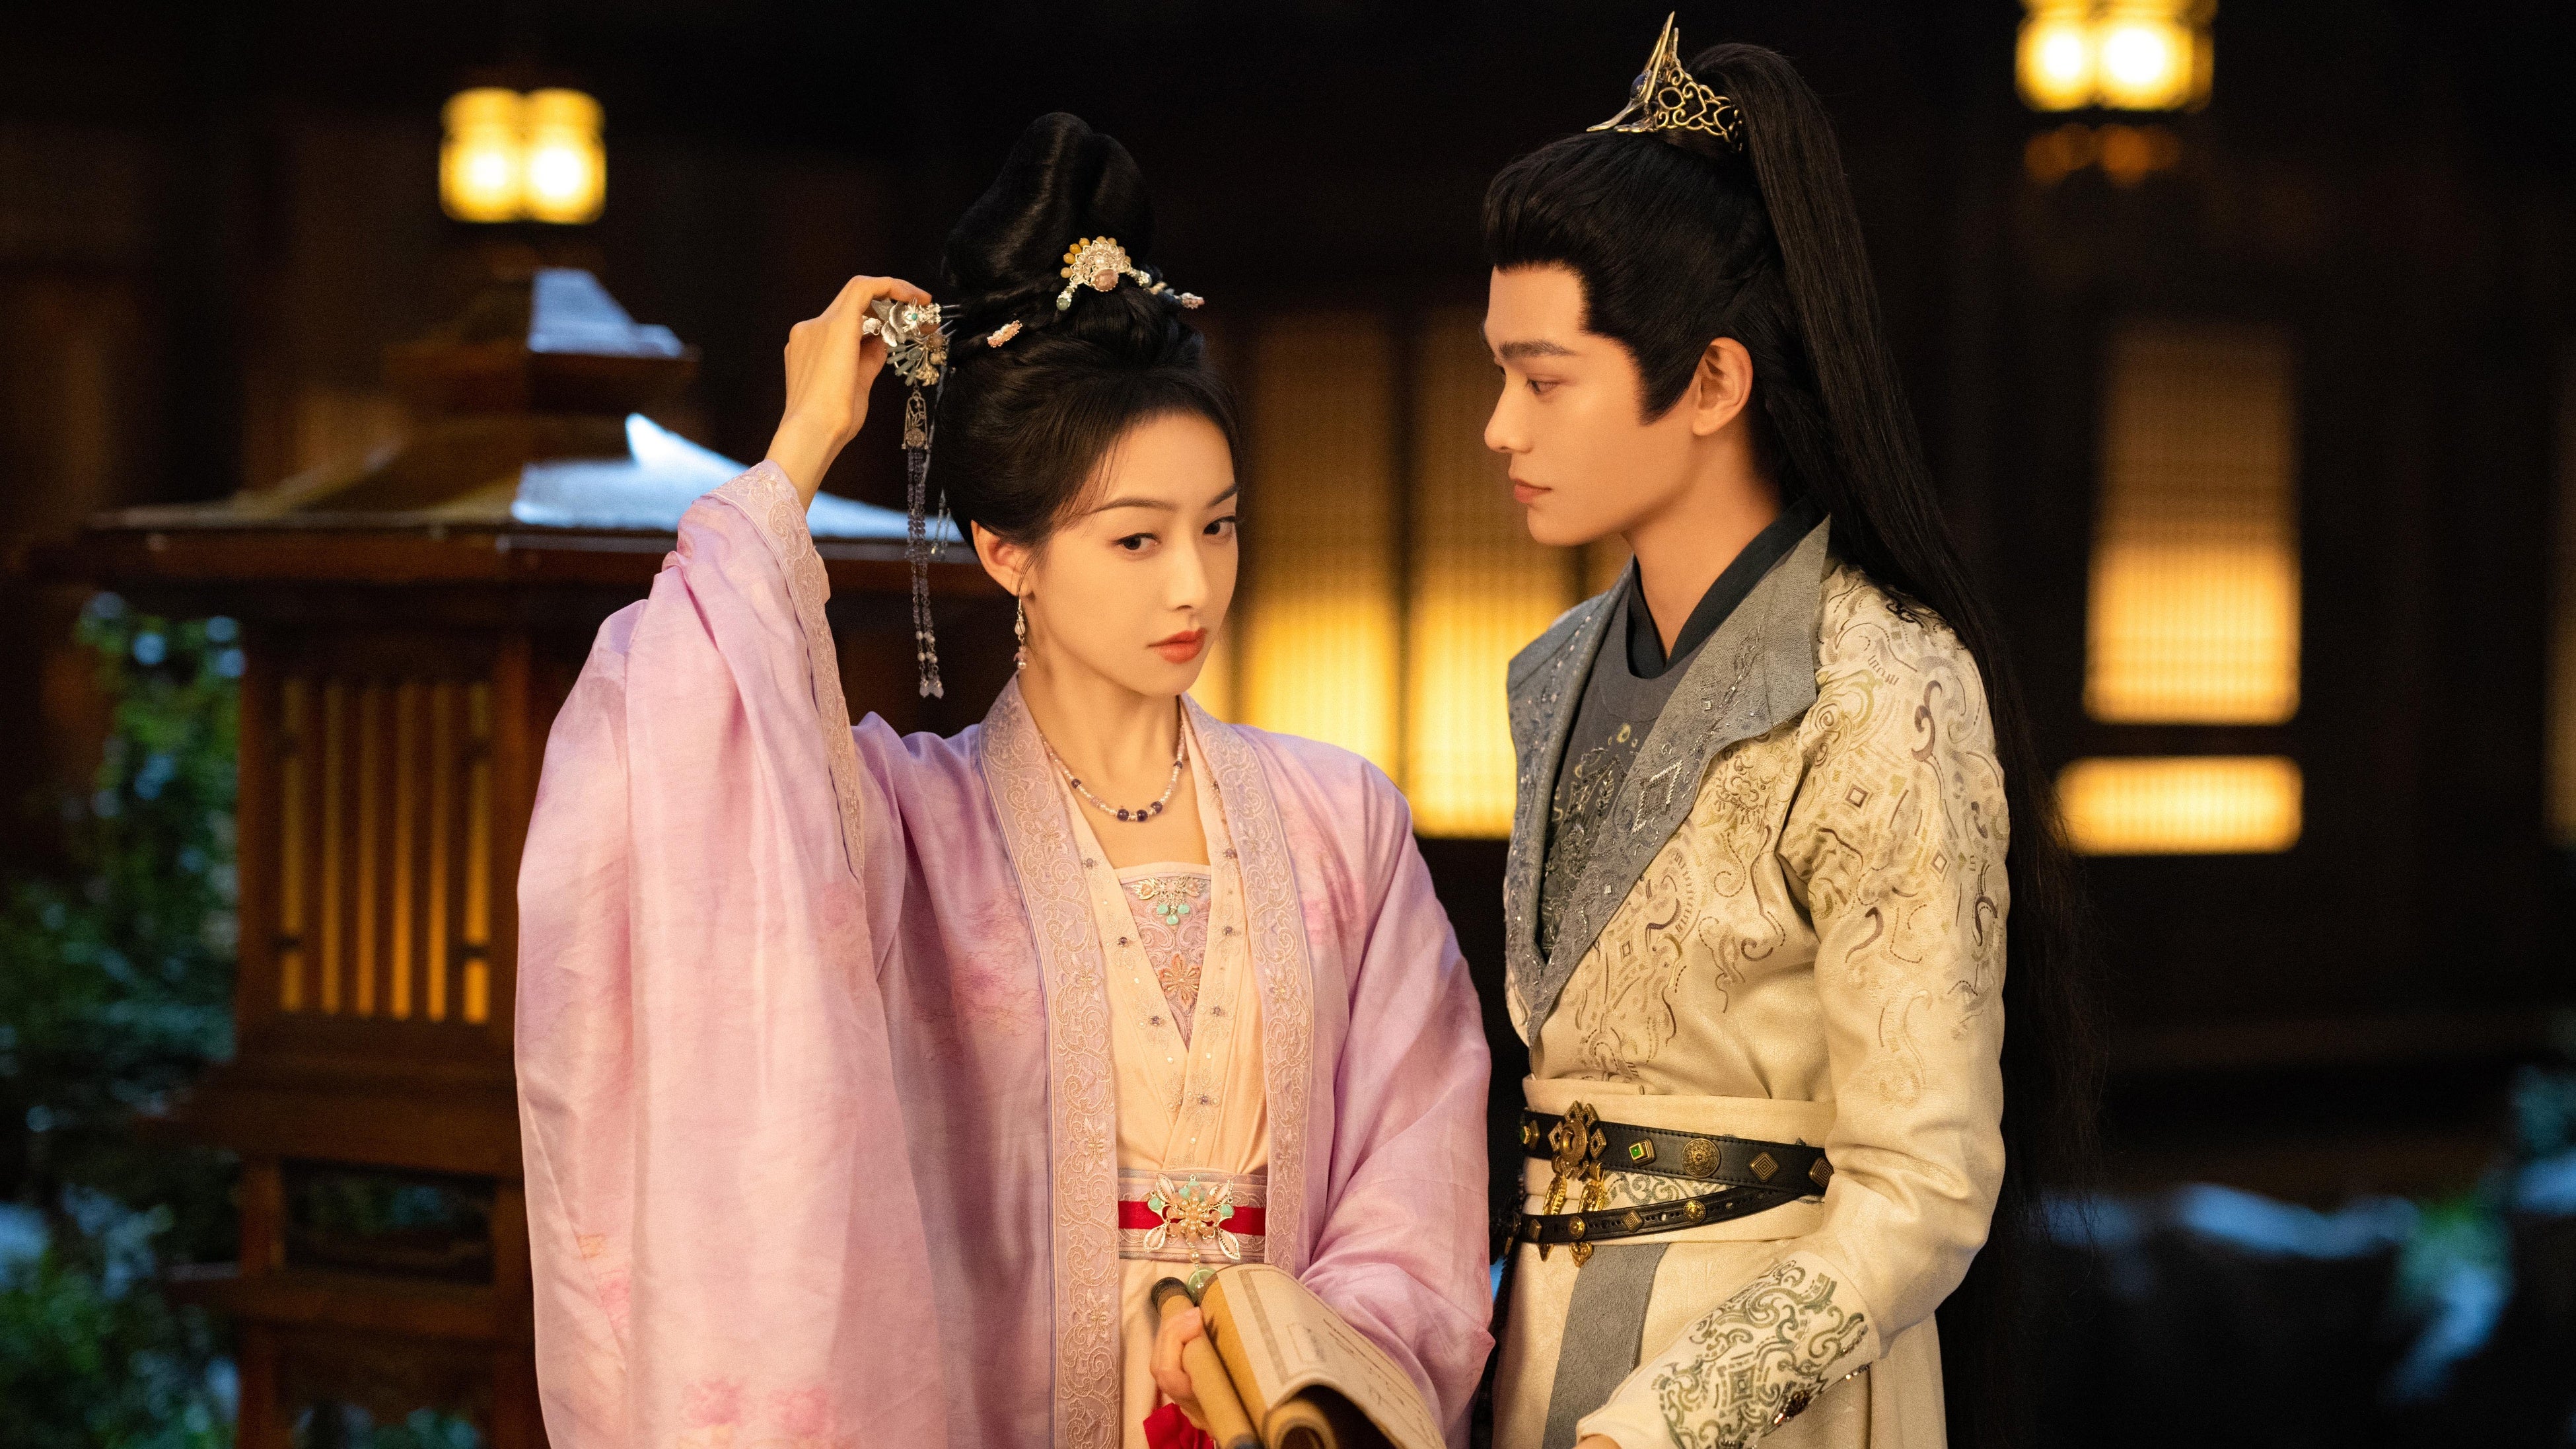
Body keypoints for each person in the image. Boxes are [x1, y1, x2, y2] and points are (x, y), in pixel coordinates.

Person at [513, 112, 1493, 1449]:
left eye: (1218, 526)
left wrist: (1296, 1362)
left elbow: (1417, 1170)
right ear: (1004, 550)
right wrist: (803, 444)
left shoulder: (1343, 823)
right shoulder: (910, 828)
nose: (1194, 583)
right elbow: (681, 748)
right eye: (1137, 538)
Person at [1478, 22, 2097, 1449]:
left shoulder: (1885, 686)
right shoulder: (1553, 673)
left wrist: (1665, 1420)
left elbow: (1925, 1182)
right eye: (1499, 373)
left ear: (1712, 381)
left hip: (1767, 1398)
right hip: (1544, 1355)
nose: (1500, 426)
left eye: (1544, 377)